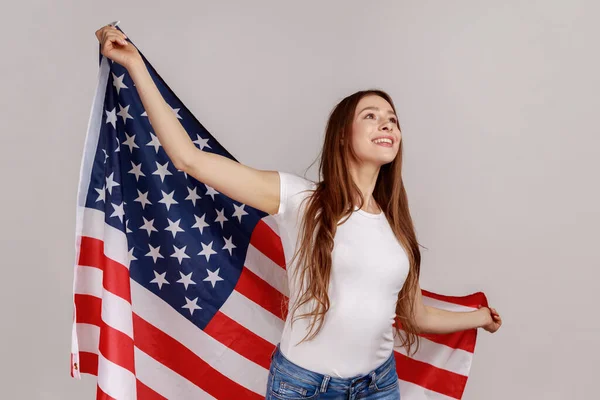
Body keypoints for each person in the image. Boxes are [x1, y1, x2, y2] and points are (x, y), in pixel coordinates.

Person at [95, 24, 502, 400]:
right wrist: (134, 65)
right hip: (306, 388)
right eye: (372, 116)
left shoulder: (397, 225)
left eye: (392, 120)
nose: (387, 126)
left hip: (378, 385)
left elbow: (414, 314)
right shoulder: (300, 199)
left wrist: (479, 316)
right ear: (344, 135)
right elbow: (189, 160)